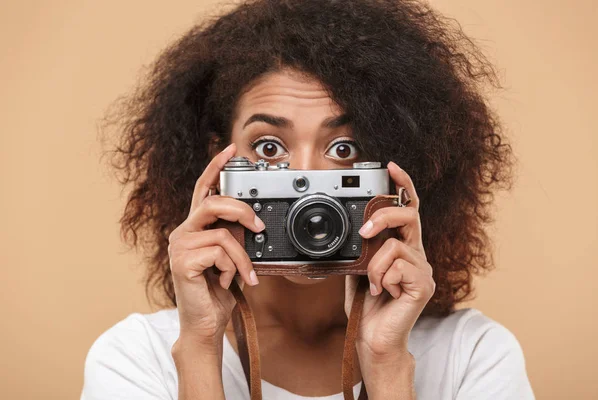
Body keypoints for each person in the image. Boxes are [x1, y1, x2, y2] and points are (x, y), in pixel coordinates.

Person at [82, 0, 535, 399]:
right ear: (216, 165)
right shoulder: (137, 356)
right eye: (268, 148)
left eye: (344, 149)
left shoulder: (473, 355)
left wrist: (387, 362)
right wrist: (201, 347)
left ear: (393, 174)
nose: (308, 180)